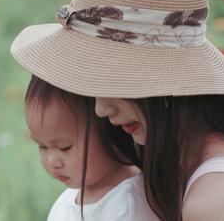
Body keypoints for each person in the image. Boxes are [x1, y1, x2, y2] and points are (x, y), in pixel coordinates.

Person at [11, 0, 224, 220]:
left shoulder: (217, 201)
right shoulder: (182, 163)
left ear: (163, 81)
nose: (100, 108)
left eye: (107, 79)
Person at [25, 75, 158, 220]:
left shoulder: (128, 208)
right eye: (42, 147)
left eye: (65, 147)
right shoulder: (73, 196)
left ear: (110, 132)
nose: (52, 162)